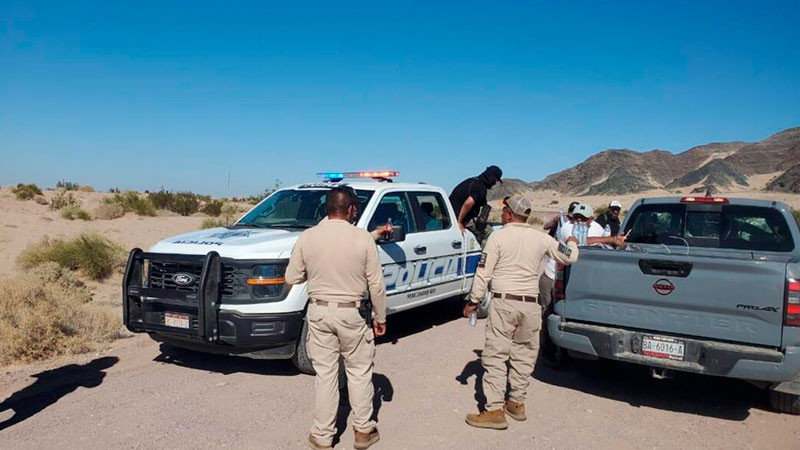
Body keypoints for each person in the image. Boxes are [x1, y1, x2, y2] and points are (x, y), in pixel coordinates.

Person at [462, 195, 580, 430]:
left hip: (504, 303)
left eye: (504, 209)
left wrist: (473, 301)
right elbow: (570, 256)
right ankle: (517, 402)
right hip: (530, 304)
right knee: (524, 354)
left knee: (496, 356)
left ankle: (494, 410)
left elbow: (483, 273)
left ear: (510, 213)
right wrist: (573, 241)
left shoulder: (498, 237)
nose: (503, 213)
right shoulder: (541, 238)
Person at [285, 187, 388, 450]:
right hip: (352, 313)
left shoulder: (308, 237)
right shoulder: (363, 239)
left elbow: (292, 278)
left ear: (327, 209)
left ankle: (322, 436)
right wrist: (381, 316)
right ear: (352, 209)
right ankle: (363, 430)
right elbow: (376, 285)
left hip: (319, 313)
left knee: (326, 375)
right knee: (359, 372)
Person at [449, 165, 503, 247]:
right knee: (490, 233)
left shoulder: (472, 181)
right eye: (495, 180)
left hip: (450, 215)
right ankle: (485, 257)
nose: (495, 183)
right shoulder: (480, 188)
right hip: (462, 218)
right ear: (491, 177)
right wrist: (459, 222)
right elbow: (468, 203)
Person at [561, 204, 627, 248]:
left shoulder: (596, 227)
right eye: (576, 216)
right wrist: (612, 239)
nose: (579, 219)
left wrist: (617, 238)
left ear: (591, 219)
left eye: (583, 217)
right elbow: (579, 242)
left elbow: (604, 239)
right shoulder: (568, 227)